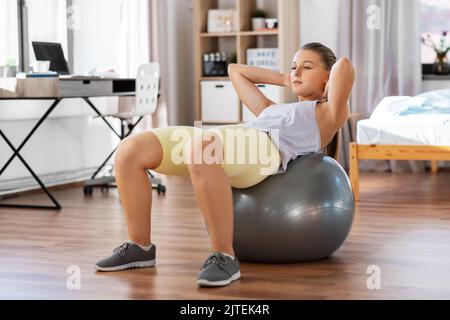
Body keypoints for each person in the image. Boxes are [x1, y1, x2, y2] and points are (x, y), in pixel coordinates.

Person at [94, 42, 356, 287]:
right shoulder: (269, 108)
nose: (297, 71)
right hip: (231, 137)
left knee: (202, 149)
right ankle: (139, 247)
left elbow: (344, 64)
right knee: (130, 149)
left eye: (306, 67)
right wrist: (282, 79)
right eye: (293, 66)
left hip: (264, 149)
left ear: (327, 77)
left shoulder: (328, 113)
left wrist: (329, 85)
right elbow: (236, 71)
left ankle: (224, 257)